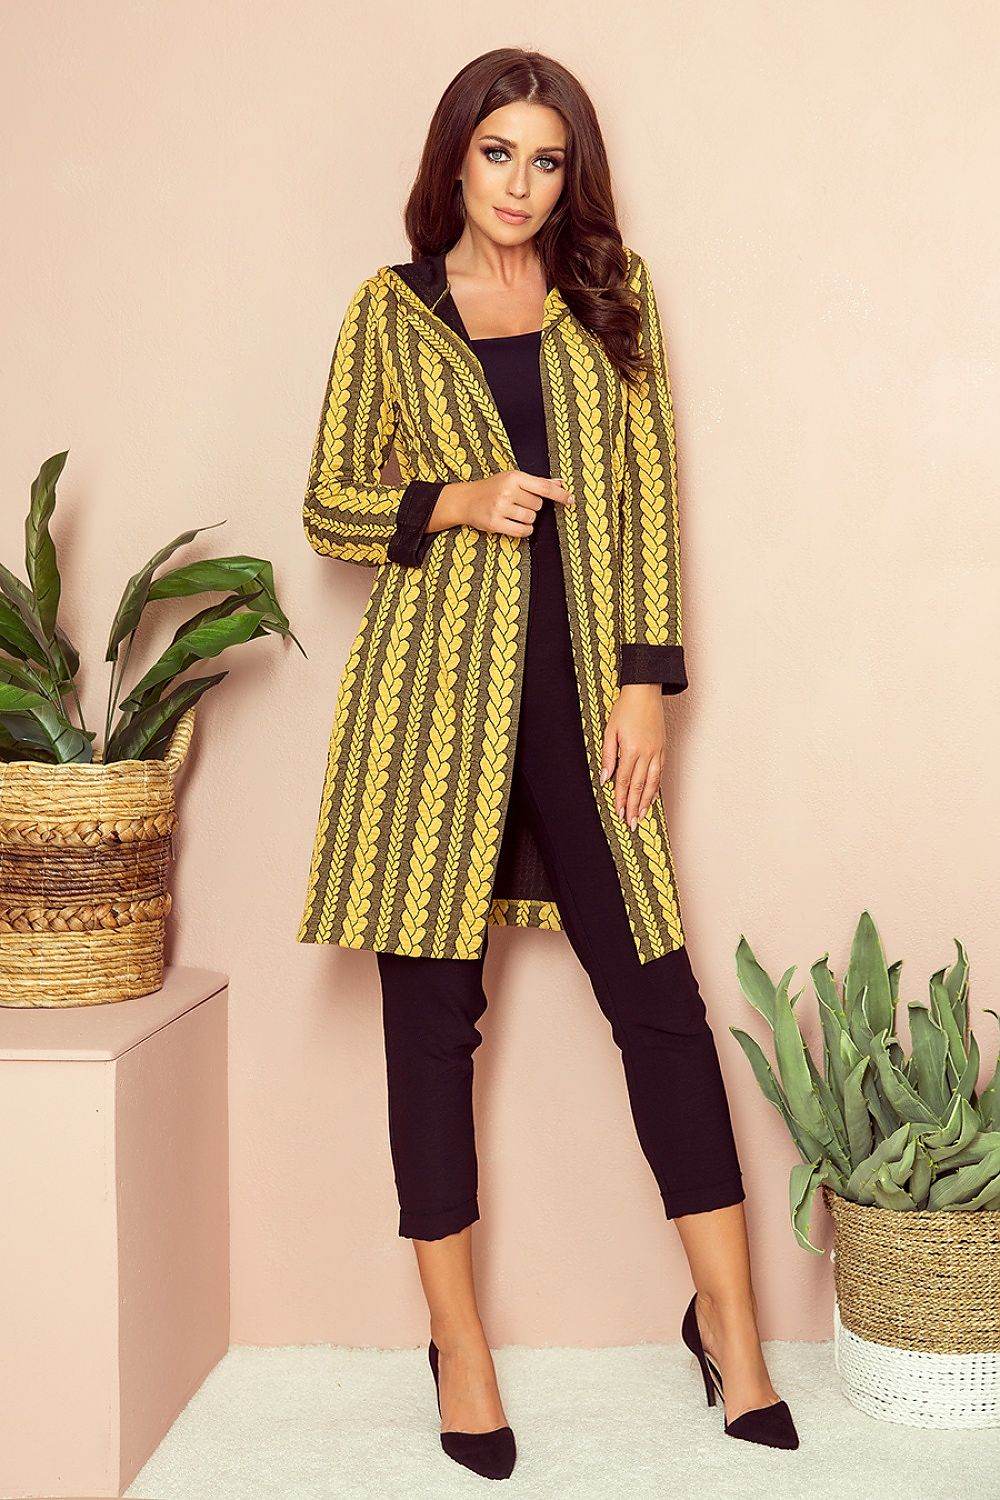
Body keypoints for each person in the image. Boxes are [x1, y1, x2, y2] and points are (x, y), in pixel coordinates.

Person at [297, 46, 799, 1480]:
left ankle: (730, 1329)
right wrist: (455, 499)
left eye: (546, 158)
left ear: (572, 173)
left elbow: (648, 494)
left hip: (586, 702)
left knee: (658, 1003)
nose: (520, 184)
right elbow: (329, 504)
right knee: (429, 1027)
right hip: (430, 712)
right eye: (497, 153)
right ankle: (457, 1347)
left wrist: (645, 685)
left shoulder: (611, 295)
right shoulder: (389, 311)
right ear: (453, 158)